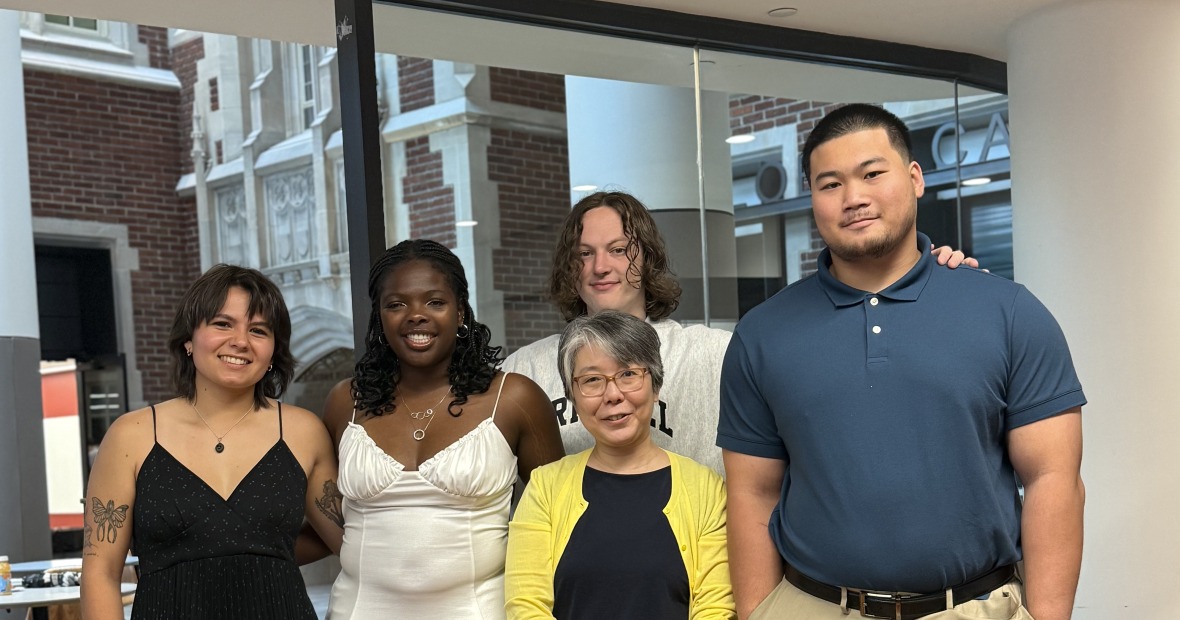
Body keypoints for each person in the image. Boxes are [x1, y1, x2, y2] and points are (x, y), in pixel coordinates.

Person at [718, 104, 1085, 620]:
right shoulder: (762, 334)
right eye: (830, 184)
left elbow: (1054, 478)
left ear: (915, 178)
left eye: (872, 173)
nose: (854, 198)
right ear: (813, 200)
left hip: (973, 607)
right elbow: (753, 493)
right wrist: (760, 612)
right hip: (812, 607)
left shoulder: (1008, 313)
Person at [503, 191, 976, 475]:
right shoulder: (525, 371)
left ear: (646, 258)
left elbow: (829, 366)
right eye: (584, 253)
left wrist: (918, 283)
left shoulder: (715, 353)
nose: (600, 266)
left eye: (618, 249)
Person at [81, 265, 344, 620]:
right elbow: (100, 573)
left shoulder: (303, 431)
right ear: (189, 338)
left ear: (272, 352)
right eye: (223, 324)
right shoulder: (132, 436)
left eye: (258, 330)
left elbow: (347, 539)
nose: (240, 341)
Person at [321, 239, 564, 619]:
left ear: (461, 312)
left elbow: (557, 521)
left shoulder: (514, 398)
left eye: (435, 301)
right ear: (379, 317)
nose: (416, 315)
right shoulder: (344, 402)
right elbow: (327, 509)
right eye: (396, 304)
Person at [505, 311, 732, 619]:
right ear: (573, 396)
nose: (613, 395)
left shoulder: (706, 489)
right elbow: (526, 606)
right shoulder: (545, 488)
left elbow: (716, 608)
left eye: (628, 374)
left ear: (655, 386)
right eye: (592, 380)